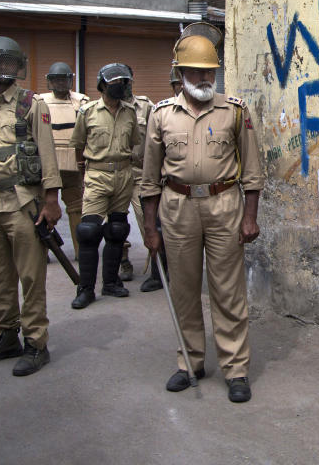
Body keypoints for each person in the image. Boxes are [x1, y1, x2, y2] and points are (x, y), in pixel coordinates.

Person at [140, 23, 264, 403]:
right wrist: (150, 226)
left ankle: (236, 369)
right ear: (180, 74)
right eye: (195, 71)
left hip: (224, 204)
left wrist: (250, 217)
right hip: (177, 208)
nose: (204, 77)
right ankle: (190, 362)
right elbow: (148, 180)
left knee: (228, 290)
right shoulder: (161, 116)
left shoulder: (234, 111)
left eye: (209, 70)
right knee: (184, 289)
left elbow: (253, 172)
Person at [0, 36, 62, 377]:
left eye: (8, 62)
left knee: (31, 277)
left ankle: (36, 343)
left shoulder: (31, 104)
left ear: (18, 66)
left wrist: (52, 201)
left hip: (22, 204)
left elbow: (47, 155)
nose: (2, 68)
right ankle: (5, 335)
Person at [68, 63, 140, 309]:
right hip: (97, 174)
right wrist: (84, 174)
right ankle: (85, 289)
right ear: (102, 84)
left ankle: (111, 282)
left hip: (123, 174)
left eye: (124, 82)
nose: (120, 86)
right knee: (88, 232)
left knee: (118, 229)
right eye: (115, 82)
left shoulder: (130, 113)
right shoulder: (87, 112)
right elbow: (78, 145)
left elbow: (132, 143)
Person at [37, 62, 89, 258]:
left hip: (72, 162)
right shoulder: (39, 101)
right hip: (45, 162)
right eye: (56, 79)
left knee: (76, 208)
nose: (60, 83)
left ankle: (80, 250)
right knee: (42, 207)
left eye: (63, 79)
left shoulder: (82, 101)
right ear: (49, 81)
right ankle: (43, 250)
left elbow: (87, 132)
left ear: (70, 80)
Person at [139, 68, 182, 293]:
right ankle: (159, 275)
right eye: (178, 83)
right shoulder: (162, 114)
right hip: (167, 187)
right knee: (157, 230)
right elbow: (152, 161)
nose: (182, 86)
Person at [122, 79, 152, 282]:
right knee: (115, 224)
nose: (122, 86)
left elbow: (155, 139)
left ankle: (157, 268)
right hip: (115, 172)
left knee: (147, 219)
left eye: (125, 81)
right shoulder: (98, 109)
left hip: (140, 172)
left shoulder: (146, 106)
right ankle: (123, 262)